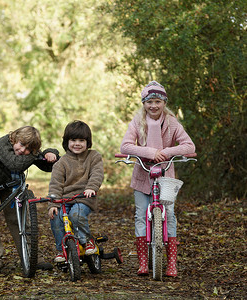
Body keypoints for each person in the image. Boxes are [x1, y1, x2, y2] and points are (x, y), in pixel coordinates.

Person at [120, 81, 195, 277]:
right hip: (142, 175)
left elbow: (189, 146)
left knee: (169, 215)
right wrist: (151, 152)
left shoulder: (172, 122)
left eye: (157, 101)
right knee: (140, 216)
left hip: (165, 176)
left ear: (164, 102)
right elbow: (125, 146)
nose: (153, 106)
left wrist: (167, 152)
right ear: (144, 103)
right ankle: (143, 263)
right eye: (149, 102)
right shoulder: (137, 122)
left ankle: (171, 264)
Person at [0, 126, 59, 274]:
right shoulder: (2, 144)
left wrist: (50, 153)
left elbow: (47, 167)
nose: (22, 150)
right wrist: (34, 154)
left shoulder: (28, 152)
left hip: (10, 183)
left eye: (28, 149)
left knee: (18, 218)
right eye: (21, 144)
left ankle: (31, 256)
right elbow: (14, 163)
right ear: (14, 138)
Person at [48, 120, 104, 263]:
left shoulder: (93, 157)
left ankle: (87, 241)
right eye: (73, 140)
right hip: (65, 199)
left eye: (81, 140)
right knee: (56, 217)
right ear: (67, 142)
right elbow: (55, 184)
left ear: (88, 142)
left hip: (84, 197)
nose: (77, 143)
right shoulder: (61, 163)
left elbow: (97, 174)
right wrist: (53, 204)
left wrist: (91, 187)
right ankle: (62, 249)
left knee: (76, 214)